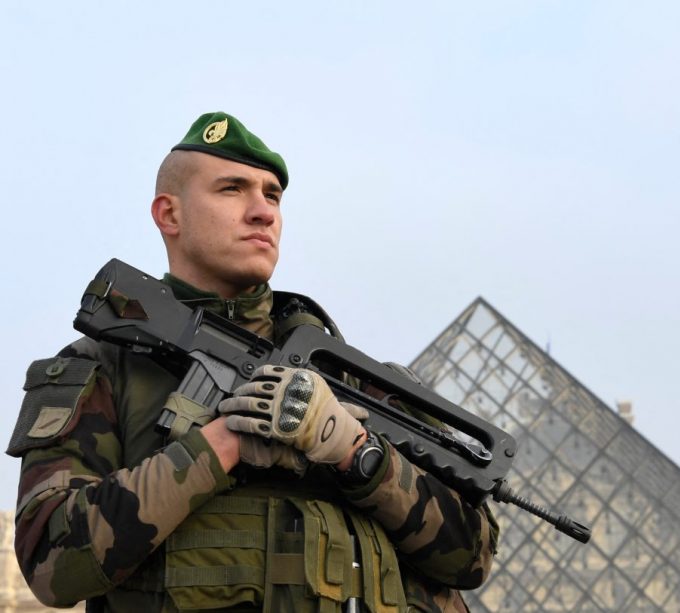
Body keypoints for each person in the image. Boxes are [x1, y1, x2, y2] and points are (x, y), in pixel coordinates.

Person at [8, 112, 498, 612]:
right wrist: (223, 444)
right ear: (169, 214)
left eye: (272, 195)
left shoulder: (358, 383)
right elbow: (53, 566)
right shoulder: (103, 370)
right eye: (232, 189)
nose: (262, 211)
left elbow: (472, 557)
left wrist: (357, 452)